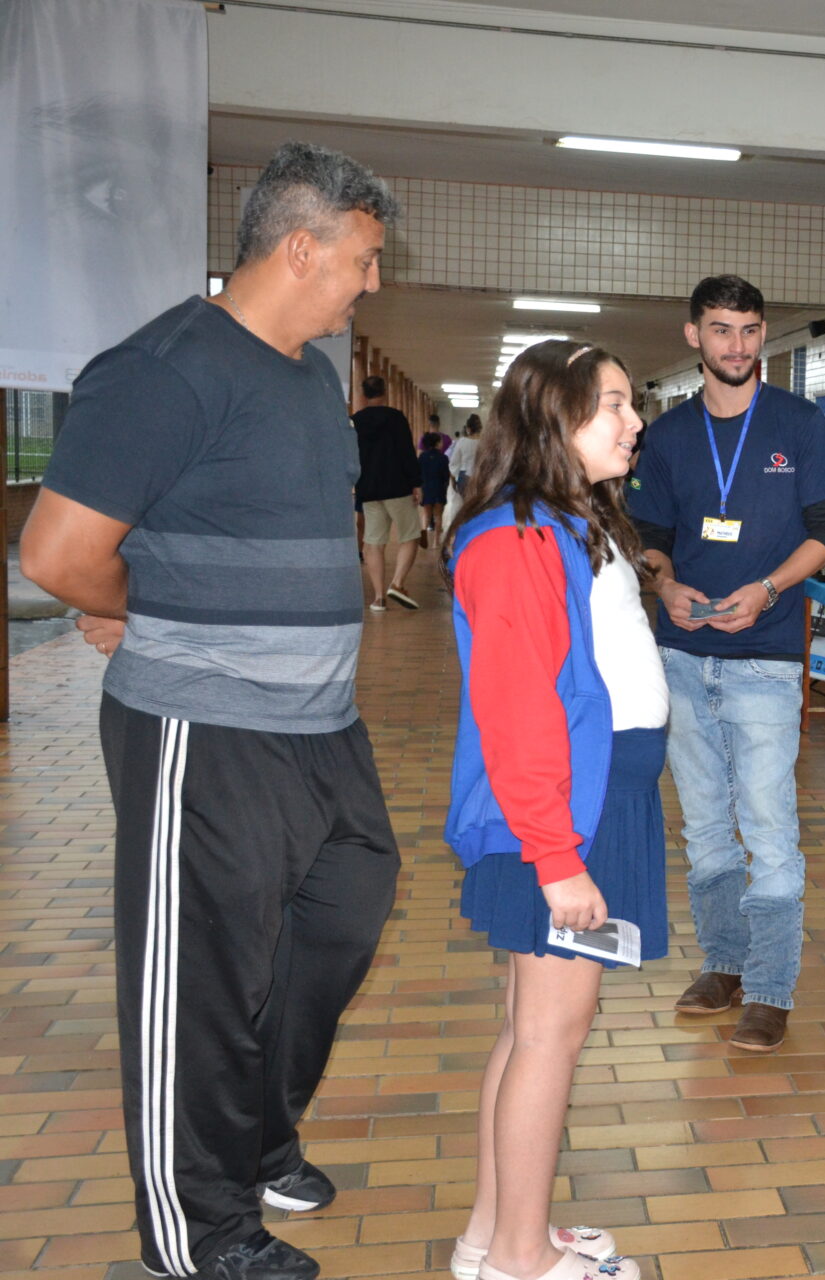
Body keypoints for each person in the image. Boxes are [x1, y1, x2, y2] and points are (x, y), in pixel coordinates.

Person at [20, 140, 401, 1280]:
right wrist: (144, 607)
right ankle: (198, 1235)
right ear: (302, 249)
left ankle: (257, 1142)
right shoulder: (164, 367)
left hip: (319, 725)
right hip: (204, 725)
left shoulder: (308, 377)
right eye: (365, 259)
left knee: (342, 915)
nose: (374, 281)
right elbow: (56, 553)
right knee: (205, 982)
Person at [443, 339, 663, 1280]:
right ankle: (519, 1259)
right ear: (553, 416)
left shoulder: (573, 523)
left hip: (593, 802)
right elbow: (519, 708)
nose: (634, 421)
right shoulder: (518, 538)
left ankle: (495, 1236)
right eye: (612, 404)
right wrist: (557, 855)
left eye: (631, 402)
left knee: (531, 1030)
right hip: (566, 816)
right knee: (549, 1036)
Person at [626, 275, 825, 1053]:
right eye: (722, 329)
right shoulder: (667, 436)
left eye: (750, 330)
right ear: (694, 335)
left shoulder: (800, 423)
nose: (738, 345)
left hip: (765, 659)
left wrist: (768, 588)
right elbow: (649, 535)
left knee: (769, 828)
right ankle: (722, 963)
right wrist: (664, 582)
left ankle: (770, 988)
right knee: (706, 829)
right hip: (683, 656)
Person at [353, 374, 423, 610]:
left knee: (373, 543)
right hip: (397, 486)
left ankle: (379, 598)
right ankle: (397, 583)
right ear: (385, 393)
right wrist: (416, 482)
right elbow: (406, 452)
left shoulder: (355, 421)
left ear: (363, 395)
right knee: (410, 536)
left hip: (368, 489)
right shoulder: (396, 418)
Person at [418, 430, 451, 542]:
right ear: (437, 443)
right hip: (439, 489)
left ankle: (424, 539)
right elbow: (446, 476)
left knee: (426, 515)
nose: (442, 443)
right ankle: (436, 542)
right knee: (438, 516)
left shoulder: (422, 457)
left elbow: (418, 473)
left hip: (426, 488)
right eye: (441, 441)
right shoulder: (443, 458)